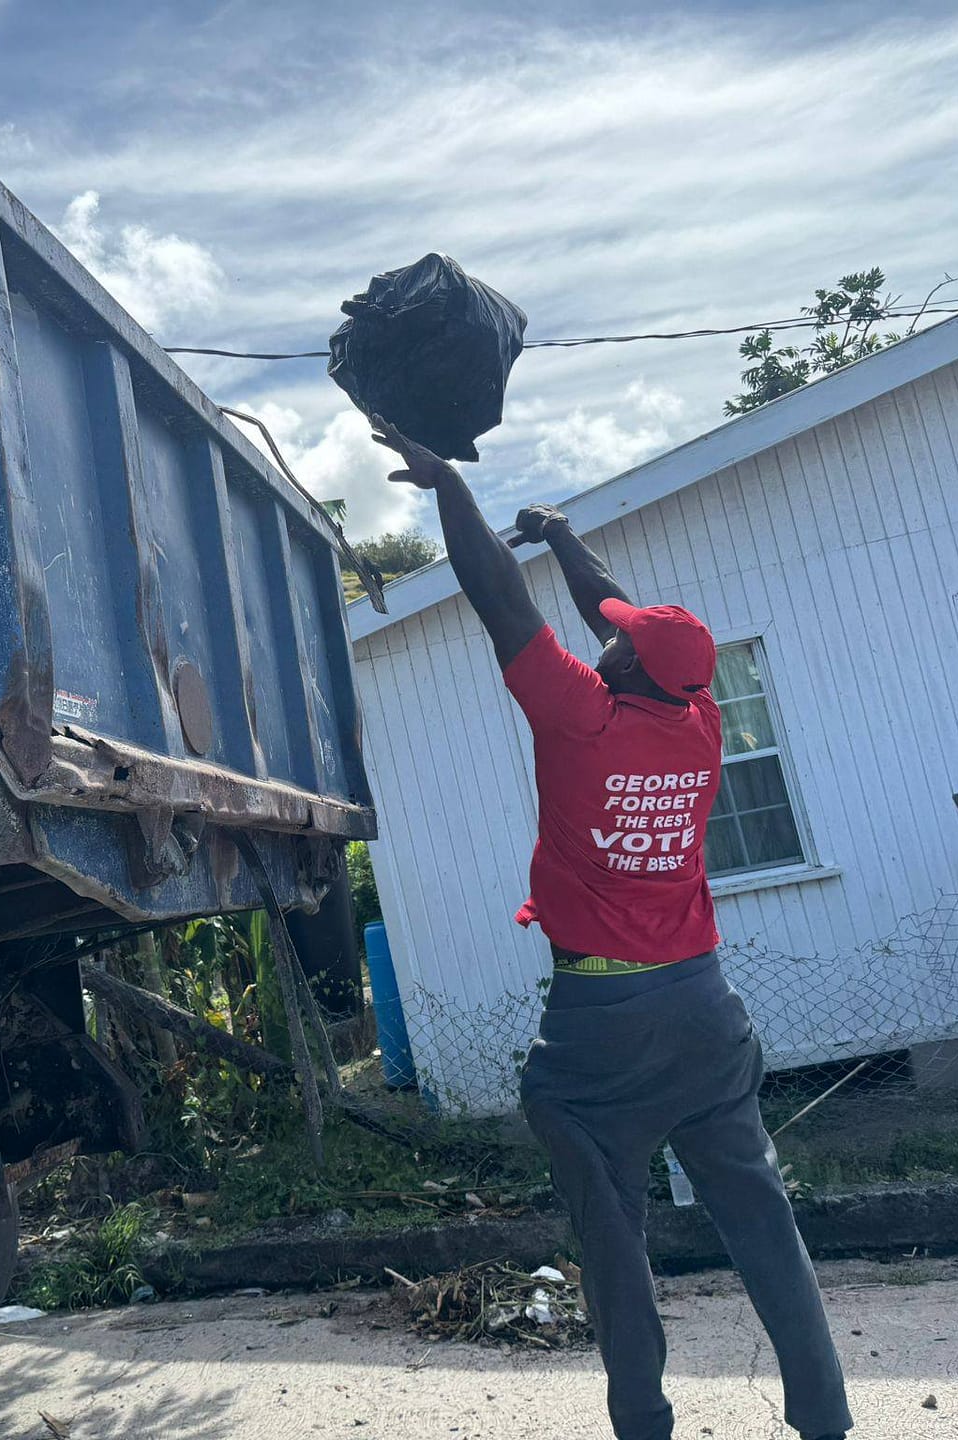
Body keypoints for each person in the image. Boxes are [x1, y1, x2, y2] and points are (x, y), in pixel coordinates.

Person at [370, 415, 851, 1440]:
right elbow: (617, 614)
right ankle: (825, 1417)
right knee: (762, 1219)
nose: (607, 633)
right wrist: (562, 535)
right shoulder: (700, 717)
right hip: (704, 1005)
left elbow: (500, 602)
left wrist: (449, 487)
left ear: (626, 665)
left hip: (601, 1022)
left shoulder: (581, 715)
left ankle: (643, 1420)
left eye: (619, 638)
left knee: (613, 1235)